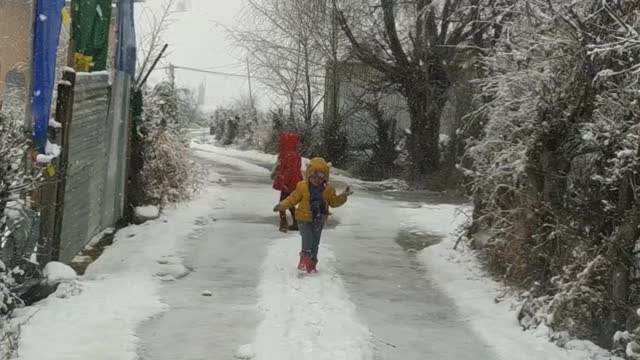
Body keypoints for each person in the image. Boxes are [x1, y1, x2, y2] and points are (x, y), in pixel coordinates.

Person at [273, 157, 353, 273]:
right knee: (307, 240)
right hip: (303, 219)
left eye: (320, 178)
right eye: (313, 177)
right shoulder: (302, 186)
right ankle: (304, 263)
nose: (316, 180)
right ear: (308, 175)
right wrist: (281, 205)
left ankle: (312, 263)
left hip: (319, 219)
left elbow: (334, 202)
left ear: (325, 178)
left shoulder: (328, 190)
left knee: (315, 243)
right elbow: (292, 199)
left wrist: (343, 196)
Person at [271, 132, 303, 232]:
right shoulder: (296, 155)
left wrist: (284, 181)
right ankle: (295, 222)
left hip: (287, 182)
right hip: (295, 182)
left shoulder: (286, 155)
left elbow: (287, 170)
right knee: (290, 201)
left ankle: (284, 223)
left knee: (283, 203)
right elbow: (297, 168)